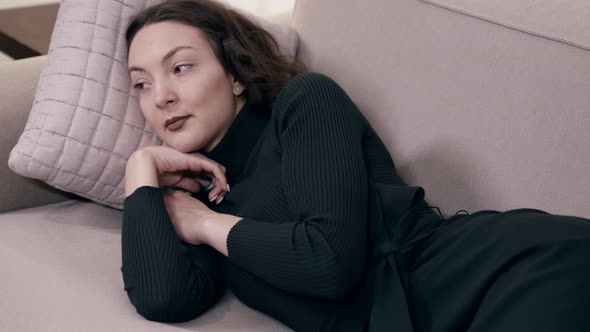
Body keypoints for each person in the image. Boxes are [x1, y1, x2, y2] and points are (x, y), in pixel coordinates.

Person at [121, 1, 590, 331]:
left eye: (180, 68)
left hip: (502, 274)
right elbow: (165, 298)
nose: (161, 96)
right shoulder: (196, 197)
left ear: (237, 74)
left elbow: (328, 261)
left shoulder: (306, 104)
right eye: (141, 84)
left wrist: (206, 225)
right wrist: (141, 174)